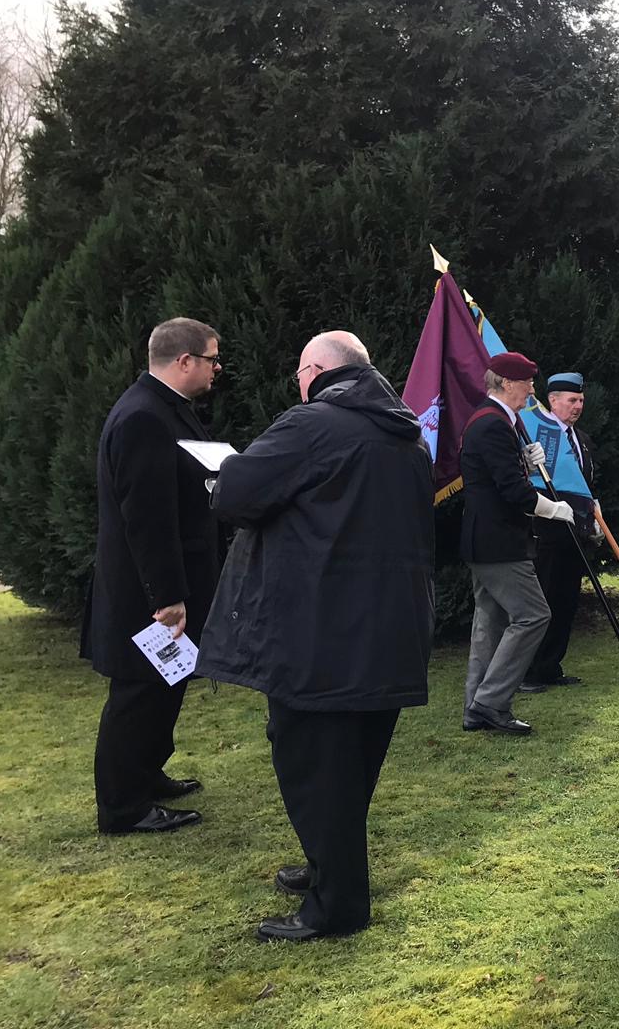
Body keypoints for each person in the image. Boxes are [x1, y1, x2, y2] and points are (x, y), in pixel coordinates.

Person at [198, 331, 434, 941]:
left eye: (298, 372)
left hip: (319, 632)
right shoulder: (407, 437)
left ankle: (336, 908)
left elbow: (237, 495)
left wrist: (224, 473)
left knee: (313, 766)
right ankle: (329, 866)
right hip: (386, 629)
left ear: (316, 370)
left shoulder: (310, 424)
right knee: (352, 767)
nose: (297, 384)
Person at [83, 318, 223, 835]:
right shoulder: (144, 417)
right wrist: (167, 597)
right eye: (211, 359)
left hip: (166, 582)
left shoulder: (167, 410)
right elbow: (147, 518)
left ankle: (145, 773)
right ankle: (123, 807)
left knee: (165, 685)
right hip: (148, 591)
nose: (216, 369)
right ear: (183, 361)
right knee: (138, 693)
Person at [458, 352, 572, 732]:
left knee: (489, 623)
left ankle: (476, 707)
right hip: (499, 543)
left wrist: (522, 458)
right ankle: (490, 703)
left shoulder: (493, 421)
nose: (531, 390)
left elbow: (497, 477)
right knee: (533, 615)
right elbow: (513, 492)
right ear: (507, 383)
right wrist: (555, 510)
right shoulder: (493, 424)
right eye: (527, 383)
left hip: (485, 541)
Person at [523, 371, 598, 690]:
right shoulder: (540, 436)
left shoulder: (582, 439)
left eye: (580, 399)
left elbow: (588, 484)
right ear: (552, 401)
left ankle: (551, 666)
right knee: (545, 601)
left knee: (566, 601)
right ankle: (529, 670)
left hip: (575, 533)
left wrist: (594, 514)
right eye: (571, 400)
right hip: (547, 532)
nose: (578, 405)